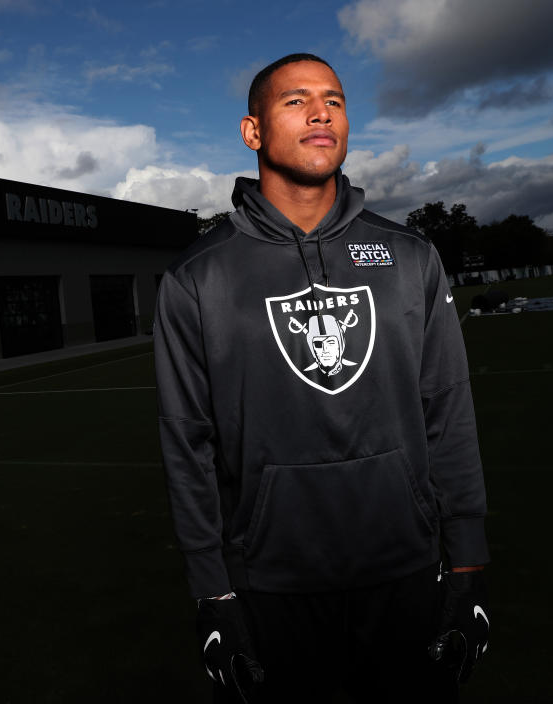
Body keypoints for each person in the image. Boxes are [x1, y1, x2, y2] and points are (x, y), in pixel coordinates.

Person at [153, 53, 491, 703]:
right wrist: (211, 590)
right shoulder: (197, 278)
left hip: (408, 571)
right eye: (295, 100)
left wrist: (470, 561)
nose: (320, 113)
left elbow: (448, 413)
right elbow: (185, 445)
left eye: (334, 101)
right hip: (270, 585)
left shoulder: (411, 256)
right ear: (252, 132)